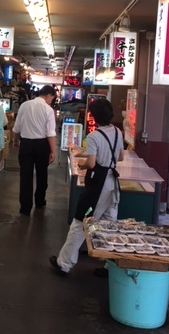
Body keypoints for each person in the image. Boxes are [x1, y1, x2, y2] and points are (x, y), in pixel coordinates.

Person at [49, 98, 124, 276]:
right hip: (113, 183)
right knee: (109, 224)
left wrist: (81, 165)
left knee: (80, 222)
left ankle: (64, 264)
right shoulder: (118, 132)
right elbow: (120, 157)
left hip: (97, 185)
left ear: (94, 116)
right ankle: (111, 266)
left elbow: (91, 163)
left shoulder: (93, 136)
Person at [12, 85, 57, 215]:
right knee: (42, 174)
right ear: (48, 95)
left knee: (25, 176)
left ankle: (25, 207)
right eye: (51, 99)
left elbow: (16, 127)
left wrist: (15, 141)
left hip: (26, 144)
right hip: (42, 145)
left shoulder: (24, 105)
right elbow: (50, 133)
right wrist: (53, 151)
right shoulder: (48, 110)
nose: (50, 101)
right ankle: (39, 201)